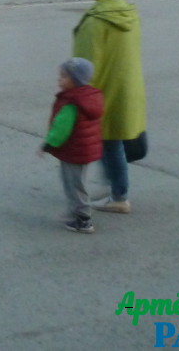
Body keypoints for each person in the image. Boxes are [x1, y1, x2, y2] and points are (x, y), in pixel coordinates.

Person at [73, 0, 145, 214]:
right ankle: (113, 184)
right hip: (129, 87)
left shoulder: (94, 21)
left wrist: (77, 99)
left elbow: (84, 66)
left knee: (110, 142)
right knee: (114, 141)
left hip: (106, 91)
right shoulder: (129, 13)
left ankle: (119, 196)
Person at [41, 57, 105, 234]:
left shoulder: (72, 103)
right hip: (84, 149)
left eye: (63, 76)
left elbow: (61, 128)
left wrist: (47, 144)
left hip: (74, 150)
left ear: (75, 80)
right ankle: (74, 212)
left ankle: (83, 219)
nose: (59, 80)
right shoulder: (88, 97)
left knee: (74, 184)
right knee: (77, 181)